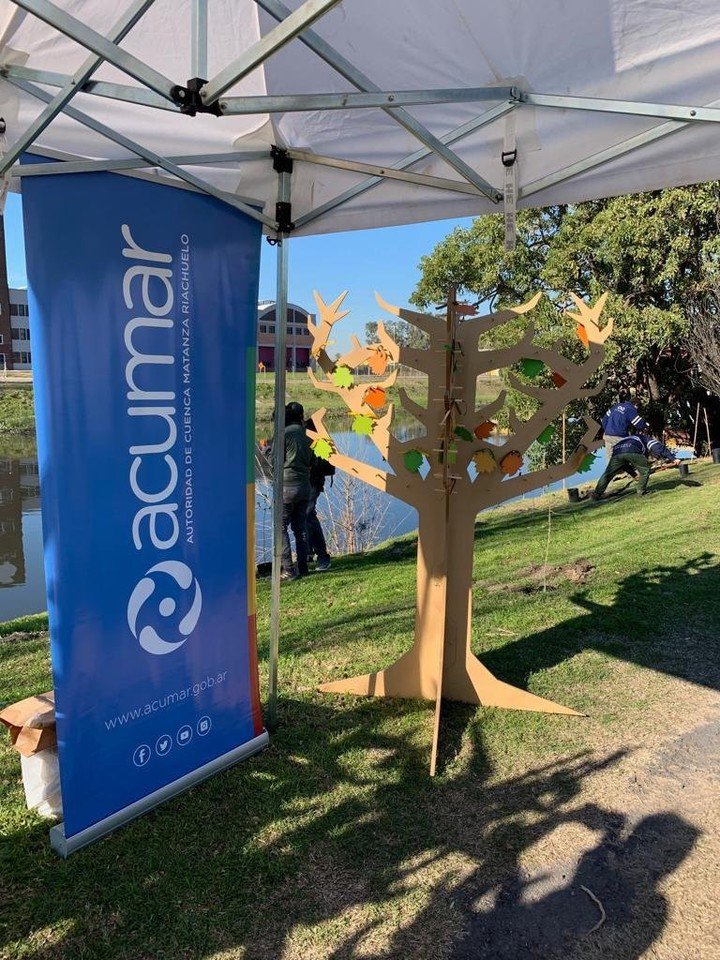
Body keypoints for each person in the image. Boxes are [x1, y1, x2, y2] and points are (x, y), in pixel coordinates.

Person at [270, 401, 313, 581]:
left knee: (280, 527)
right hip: (304, 486)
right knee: (300, 527)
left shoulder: (283, 435)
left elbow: (275, 462)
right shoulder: (307, 434)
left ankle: (288, 569)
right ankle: (303, 567)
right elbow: (313, 461)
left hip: (286, 487)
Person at [591, 433, 679, 500]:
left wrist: (633, 475)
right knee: (645, 471)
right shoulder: (645, 439)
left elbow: (624, 465)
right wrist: (673, 459)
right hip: (632, 450)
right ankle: (641, 491)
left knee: (608, 473)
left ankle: (597, 493)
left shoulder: (628, 439)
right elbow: (658, 448)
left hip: (617, 452)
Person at [305, 417, 333, 572]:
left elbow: (315, 463)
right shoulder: (313, 434)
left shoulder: (313, 437)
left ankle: (322, 556)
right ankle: (309, 554)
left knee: (308, 515)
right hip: (312, 482)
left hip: (313, 482)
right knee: (307, 516)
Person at [601, 391, 648, 457]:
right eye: (638, 408)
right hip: (619, 437)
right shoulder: (630, 409)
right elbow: (639, 424)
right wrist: (645, 425)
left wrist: (607, 430)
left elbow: (605, 419)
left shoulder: (617, 406)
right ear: (636, 405)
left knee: (610, 458)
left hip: (608, 435)